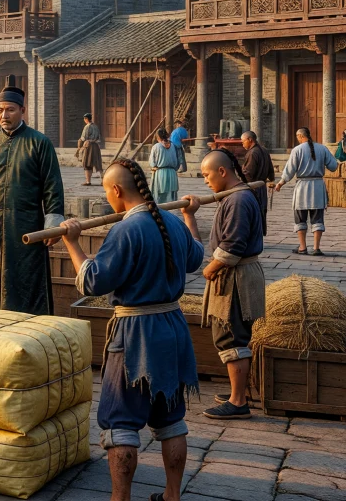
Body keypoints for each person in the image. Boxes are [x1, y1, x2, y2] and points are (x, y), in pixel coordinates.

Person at [59, 159, 202, 501]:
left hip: (136, 332)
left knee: (121, 420)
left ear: (117, 190)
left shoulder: (126, 230)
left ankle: (119, 498)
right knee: (172, 417)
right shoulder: (171, 221)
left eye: (108, 192)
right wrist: (189, 217)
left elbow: (93, 281)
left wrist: (72, 242)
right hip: (173, 327)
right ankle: (172, 496)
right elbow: (196, 258)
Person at [0, 77, 65, 314]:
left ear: (22, 110)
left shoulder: (39, 143)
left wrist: (53, 226)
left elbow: (52, 187)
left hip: (27, 225)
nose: (3, 115)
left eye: (9, 110)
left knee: (26, 279)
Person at [181, 150, 264, 420]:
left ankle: (238, 401)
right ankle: (236, 392)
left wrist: (208, 270)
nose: (205, 181)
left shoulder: (238, 200)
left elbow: (233, 246)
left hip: (236, 277)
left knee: (232, 335)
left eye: (206, 175)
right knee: (230, 333)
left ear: (222, 172)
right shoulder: (234, 196)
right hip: (234, 274)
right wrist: (190, 215)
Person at [277, 127, 339, 256]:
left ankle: (303, 247)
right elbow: (333, 166)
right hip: (318, 187)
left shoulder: (297, 150)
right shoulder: (322, 148)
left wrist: (280, 183)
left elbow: (289, 170)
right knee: (317, 219)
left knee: (300, 218)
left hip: (302, 188)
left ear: (300, 136)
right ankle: (316, 248)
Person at [241, 131, 274, 237]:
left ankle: (253, 236)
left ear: (250, 140)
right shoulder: (264, 150)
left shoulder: (252, 153)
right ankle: (259, 234)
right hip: (262, 186)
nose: (243, 144)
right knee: (261, 211)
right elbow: (271, 170)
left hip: (253, 187)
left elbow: (248, 173)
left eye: (243, 142)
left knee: (252, 212)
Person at [149, 128, 180, 204]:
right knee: (171, 196)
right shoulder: (173, 146)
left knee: (160, 197)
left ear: (158, 137)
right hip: (172, 173)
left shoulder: (156, 146)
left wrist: (153, 166)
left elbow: (152, 162)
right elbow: (177, 160)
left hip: (161, 173)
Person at [78, 113, 103, 186]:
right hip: (96, 145)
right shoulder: (96, 126)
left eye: (84, 119)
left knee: (87, 163)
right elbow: (99, 137)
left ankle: (88, 181)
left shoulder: (87, 127)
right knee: (98, 163)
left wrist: (80, 142)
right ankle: (103, 180)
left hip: (89, 146)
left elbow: (84, 137)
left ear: (86, 119)